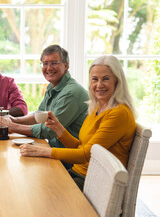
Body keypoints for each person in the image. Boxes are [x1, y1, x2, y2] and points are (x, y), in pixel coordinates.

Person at [19, 55, 136, 190]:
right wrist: (59, 129)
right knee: (32, 180)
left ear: (117, 81)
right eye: (94, 79)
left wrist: (42, 151)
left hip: (96, 184)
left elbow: (86, 155)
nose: (99, 85)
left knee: (38, 189)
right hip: (80, 174)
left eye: (106, 79)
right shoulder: (98, 107)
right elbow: (81, 147)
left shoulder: (119, 113)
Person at [9, 45, 89, 150]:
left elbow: (50, 131)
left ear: (66, 66)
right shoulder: (53, 86)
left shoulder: (71, 93)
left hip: (70, 159)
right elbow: (40, 116)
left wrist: (13, 127)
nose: (49, 68)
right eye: (45, 63)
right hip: (55, 151)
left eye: (54, 63)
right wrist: (14, 120)